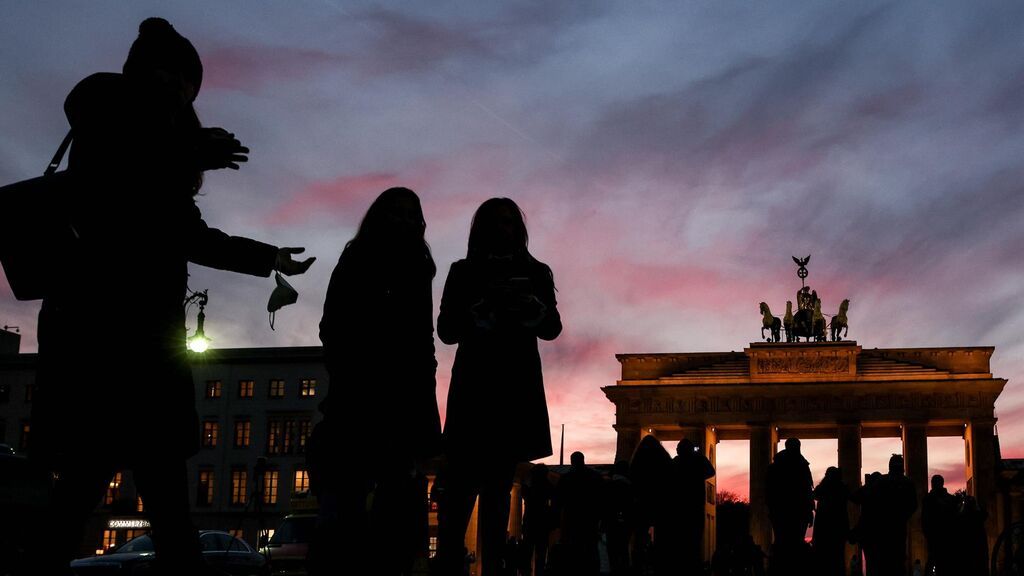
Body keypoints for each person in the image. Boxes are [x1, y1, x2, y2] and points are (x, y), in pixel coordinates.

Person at [28, 18, 314, 576]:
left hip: (131, 334)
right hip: (106, 333)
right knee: (124, 487)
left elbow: (181, 230)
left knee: (125, 488)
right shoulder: (105, 106)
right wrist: (187, 154)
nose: (180, 91)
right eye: (175, 77)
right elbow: (123, 196)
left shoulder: (150, 136)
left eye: (186, 84)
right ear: (144, 71)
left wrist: (267, 256)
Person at [310, 187, 441, 575]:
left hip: (401, 405)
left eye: (410, 213)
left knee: (394, 512)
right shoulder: (355, 261)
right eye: (395, 212)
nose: (403, 219)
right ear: (379, 217)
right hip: (358, 400)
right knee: (347, 509)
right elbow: (332, 327)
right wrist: (352, 372)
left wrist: (427, 413)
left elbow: (423, 341)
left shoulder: (419, 266)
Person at [435, 198, 562, 576]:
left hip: (513, 391)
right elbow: (446, 331)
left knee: (497, 490)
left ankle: (491, 566)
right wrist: (479, 310)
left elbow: (552, 328)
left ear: (517, 228)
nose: (502, 229)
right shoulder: (462, 272)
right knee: (460, 493)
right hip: (475, 391)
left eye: (508, 222)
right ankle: (451, 565)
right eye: (495, 223)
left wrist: (534, 306)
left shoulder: (536, 272)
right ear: (481, 229)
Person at [663, 439, 715, 575]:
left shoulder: (675, 462)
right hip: (694, 507)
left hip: (678, 509)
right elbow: (711, 471)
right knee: (694, 542)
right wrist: (698, 456)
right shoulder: (697, 461)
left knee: (681, 542)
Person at [765, 438, 813, 574]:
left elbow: (768, 492)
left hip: (785, 511)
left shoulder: (776, 467)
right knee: (791, 544)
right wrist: (809, 511)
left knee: (784, 543)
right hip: (793, 511)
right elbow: (807, 489)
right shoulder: (802, 466)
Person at [553, 452, 603, 576]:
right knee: (591, 548)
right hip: (590, 519)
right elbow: (601, 498)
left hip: (571, 519)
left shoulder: (566, 478)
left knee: (573, 548)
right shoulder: (595, 477)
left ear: (572, 461)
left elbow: (558, 501)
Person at [811, 467, 849, 576]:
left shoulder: (824, 488)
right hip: (839, 530)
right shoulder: (842, 488)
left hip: (823, 531)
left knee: (824, 560)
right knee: (838, 559)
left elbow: (815, 494)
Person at [522, 464, 556, 576]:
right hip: (543, 525)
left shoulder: (531, 488)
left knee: (527, 555)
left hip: (530, 524)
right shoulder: (548, 487)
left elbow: (525, 494)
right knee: (541, 555)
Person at [921, 474, 955, 576]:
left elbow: (924, 519)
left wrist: (927, 533)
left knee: (933, 561)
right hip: (945, 536)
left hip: (935, 536)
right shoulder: (950, 499)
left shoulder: (928, 499)